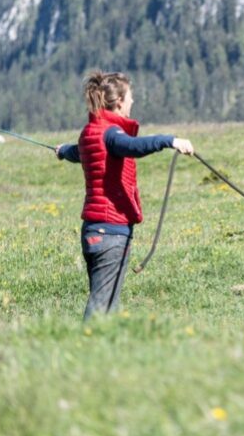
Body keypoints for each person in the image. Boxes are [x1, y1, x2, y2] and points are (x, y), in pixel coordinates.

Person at [56, 71, 194, 320]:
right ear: (119, 101)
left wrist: (62, 151)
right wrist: (171, 140)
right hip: (111, 233)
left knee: (107, 304)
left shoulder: (90, 132)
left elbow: (77, 152)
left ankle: (104, 354)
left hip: (93, 231)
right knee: (102, 307)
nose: (132, 102)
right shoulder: (111, 134)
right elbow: (133, 147)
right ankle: (83, 352)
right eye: (130, 97)